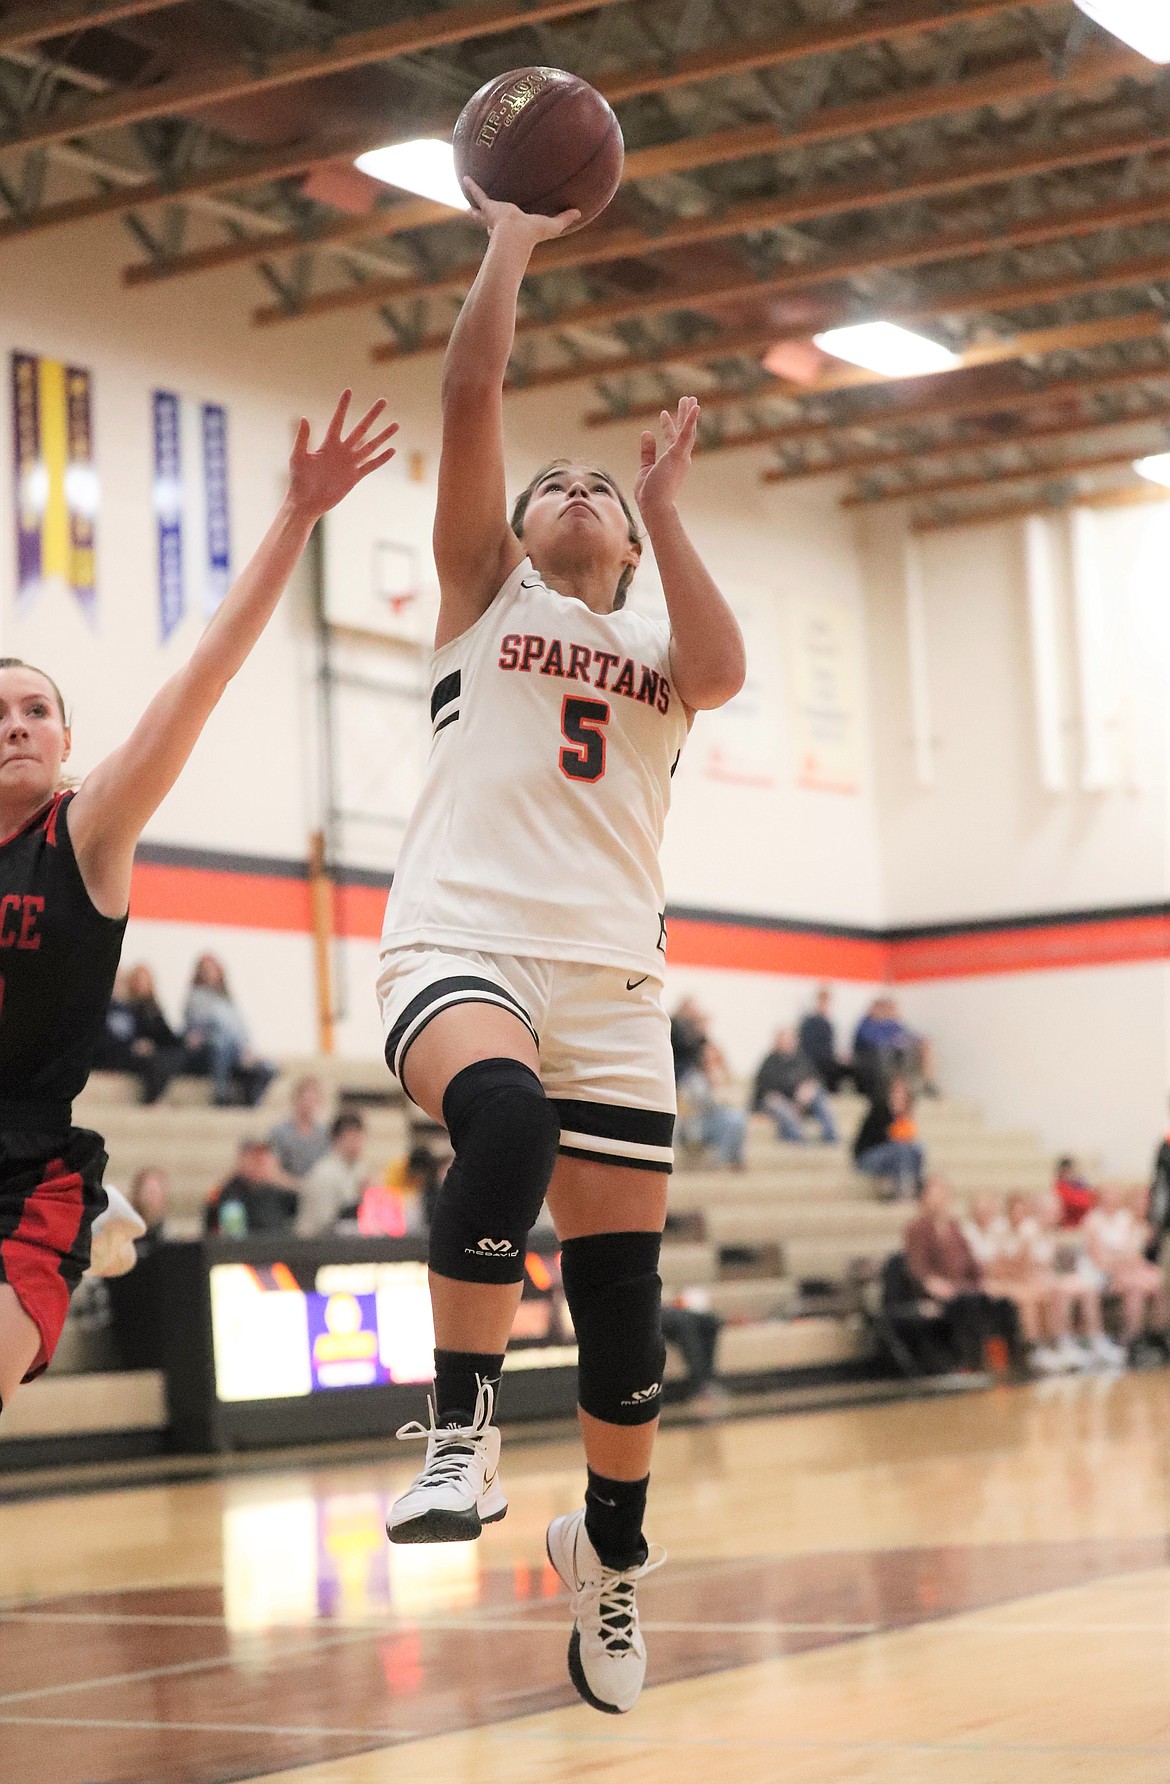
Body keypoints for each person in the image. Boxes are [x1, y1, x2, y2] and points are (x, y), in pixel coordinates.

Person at [374, 173, 745, 1716]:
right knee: (503, 1122)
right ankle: (459, 1425)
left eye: (603, 490)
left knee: (620, 1312)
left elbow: (721, 669)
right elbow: (473, 386)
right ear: (519, 530)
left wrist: (664, 503)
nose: (577, 489)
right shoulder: (481, 594)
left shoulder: (660, 649)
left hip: (609, 986)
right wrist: (511, 234)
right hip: (460, 947)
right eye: (560, 484)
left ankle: (608, 1560)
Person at [0, 390, 395, 1420]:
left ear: (64, 739)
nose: (16, 724)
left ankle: (83, 1213)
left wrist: (297, 516)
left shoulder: (84, 829)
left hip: (22, 1172)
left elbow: (207, 671)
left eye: (35, 708)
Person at [903, 1178, 1021, 1372]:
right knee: (967, 1304)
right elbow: (916, 1266)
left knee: (1002, 1302)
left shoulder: (953, 1226)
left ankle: (1011, 1362)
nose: (939, 1201)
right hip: (935, 1292)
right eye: (935, 1196)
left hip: (962, 1287)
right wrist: (930, 1282)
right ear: (925, 1199)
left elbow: (970, 1260)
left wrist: (983, 1281)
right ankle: (967, 1363)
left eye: (943, 1196)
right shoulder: (917, 1227)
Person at [1083, 1184, 1170, 1359]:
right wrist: (1123, 1263)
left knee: (1161, 1284)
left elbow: (1137, 1255)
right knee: (1136, 1289)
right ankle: (1131, 1341)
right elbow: (1102, 1260)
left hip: (1131, 1269)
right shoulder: (1094, 1221)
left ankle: (1157, 1335)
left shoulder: (1127, 1219)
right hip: (1106, 1273)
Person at [184, 954, 276, 1108]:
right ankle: (221, 1094)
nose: (209, 974)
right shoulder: (195, 997)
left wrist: (245, 1048)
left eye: (212, 969)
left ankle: (251, 1102)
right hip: (212, 1049)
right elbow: (204, 1026)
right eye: (205, 970)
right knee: (221, 1043)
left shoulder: (228, 1000)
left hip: (235, 1049)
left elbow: (241, 1028)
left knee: (269, 1067)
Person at [92, 965, 186, 1104]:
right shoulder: (99, 1009)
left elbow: (157, 1034)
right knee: (151, 1062)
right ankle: (152, 1101)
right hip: (111, 1054)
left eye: (122, 981)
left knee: (164, 1056)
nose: (118, 985)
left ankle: (156, 1099)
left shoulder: (133, 1009)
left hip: (130, 1053)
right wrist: (131, 1046)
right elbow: (100, 1040)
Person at [750, 1025, 837, 1144]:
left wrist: (808, 1088)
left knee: (818, 1092)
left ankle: (830, 1137)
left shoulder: (802, 1058)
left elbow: (815, 1077)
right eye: (784, 1038)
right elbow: (766, 1089)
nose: (787, 1042)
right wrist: (796, 1092)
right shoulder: (769, 1061)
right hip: (779, 1103)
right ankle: (798, 1138)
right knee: (775, 1101)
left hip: (803, 1103)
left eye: (790, 1038)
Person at [297, 1110, 372, 1236]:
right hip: (316, 1243)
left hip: (347, 1239)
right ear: (337, 1139)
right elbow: (324, 1222)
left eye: (360, 1137)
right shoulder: (324, 1173)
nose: (358, 1143)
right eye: (353, 1137)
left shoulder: (359, 1169)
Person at [677, 1039, 748, 1168]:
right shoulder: (694, 1078)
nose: (712, 1062)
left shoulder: (727, 1076)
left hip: (722, 1122)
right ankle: (724, 1162)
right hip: (697, 1124)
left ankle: (728, 1161)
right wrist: (713, 1086)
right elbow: (700, 1105)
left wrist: (721, 1087)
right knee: (735, 1119)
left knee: (737, 1119)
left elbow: (738, 1100)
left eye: (715, 1058)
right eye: (709, 1058)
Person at [205, 1140, 298, 1236]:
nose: (259, 1165)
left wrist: (279, 1178)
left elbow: (303, 1203)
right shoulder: (229, 1192)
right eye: (254, 1159)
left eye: (263, 1160)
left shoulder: (281, 1192)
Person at [852, 995, 937, 1099]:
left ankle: (927, 1082)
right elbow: (874, 1042)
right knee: (893, 1053)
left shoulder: (892, 1024)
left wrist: (920, 1041)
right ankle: (897, 1088)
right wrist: (895, 1042)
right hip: (872, 1061)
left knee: (922, 1046)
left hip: (895, 1057)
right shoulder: (866, 1024)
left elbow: (909, 1035)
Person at [853, 1077, 924, 1199]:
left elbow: (908, 1137)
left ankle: (915, 1186)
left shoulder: (904, 1115)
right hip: (867, 1156)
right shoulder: (879, 1110)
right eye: (896, 1092)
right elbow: (891, 1138)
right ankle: (902, 1191)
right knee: (902, 1149)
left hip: (891, 1154)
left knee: (917, 1150)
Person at [268, 1074, 330, 1179]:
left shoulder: (325, 1134)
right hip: (287, 1189)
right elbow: (273, 1169)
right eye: (305, 1099)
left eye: (313, 1100)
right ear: (296, 1099)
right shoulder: (280, 1133)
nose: (308, 1105)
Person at [798, 986, 850, 1092]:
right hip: (814, 1061)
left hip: (827, 1060)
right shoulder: (809, 1022)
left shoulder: (830, 1023)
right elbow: (809, 1047)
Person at [669, 997, 708, 1083]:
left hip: (691, 1069)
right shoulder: (674, 1025)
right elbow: (682, 1047)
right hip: (679, 1069)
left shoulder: (691, 1027)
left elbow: (703, 1048)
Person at [1053, 1155, 1096, 1228]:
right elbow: (1084, 1203)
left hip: (1084, 1224)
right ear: (1062, 1172)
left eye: (1074, 1170)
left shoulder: (1080, 1185)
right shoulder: (1059, 1187)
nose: (1073, 1173)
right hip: (1068, 1226)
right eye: (1069, 1171)